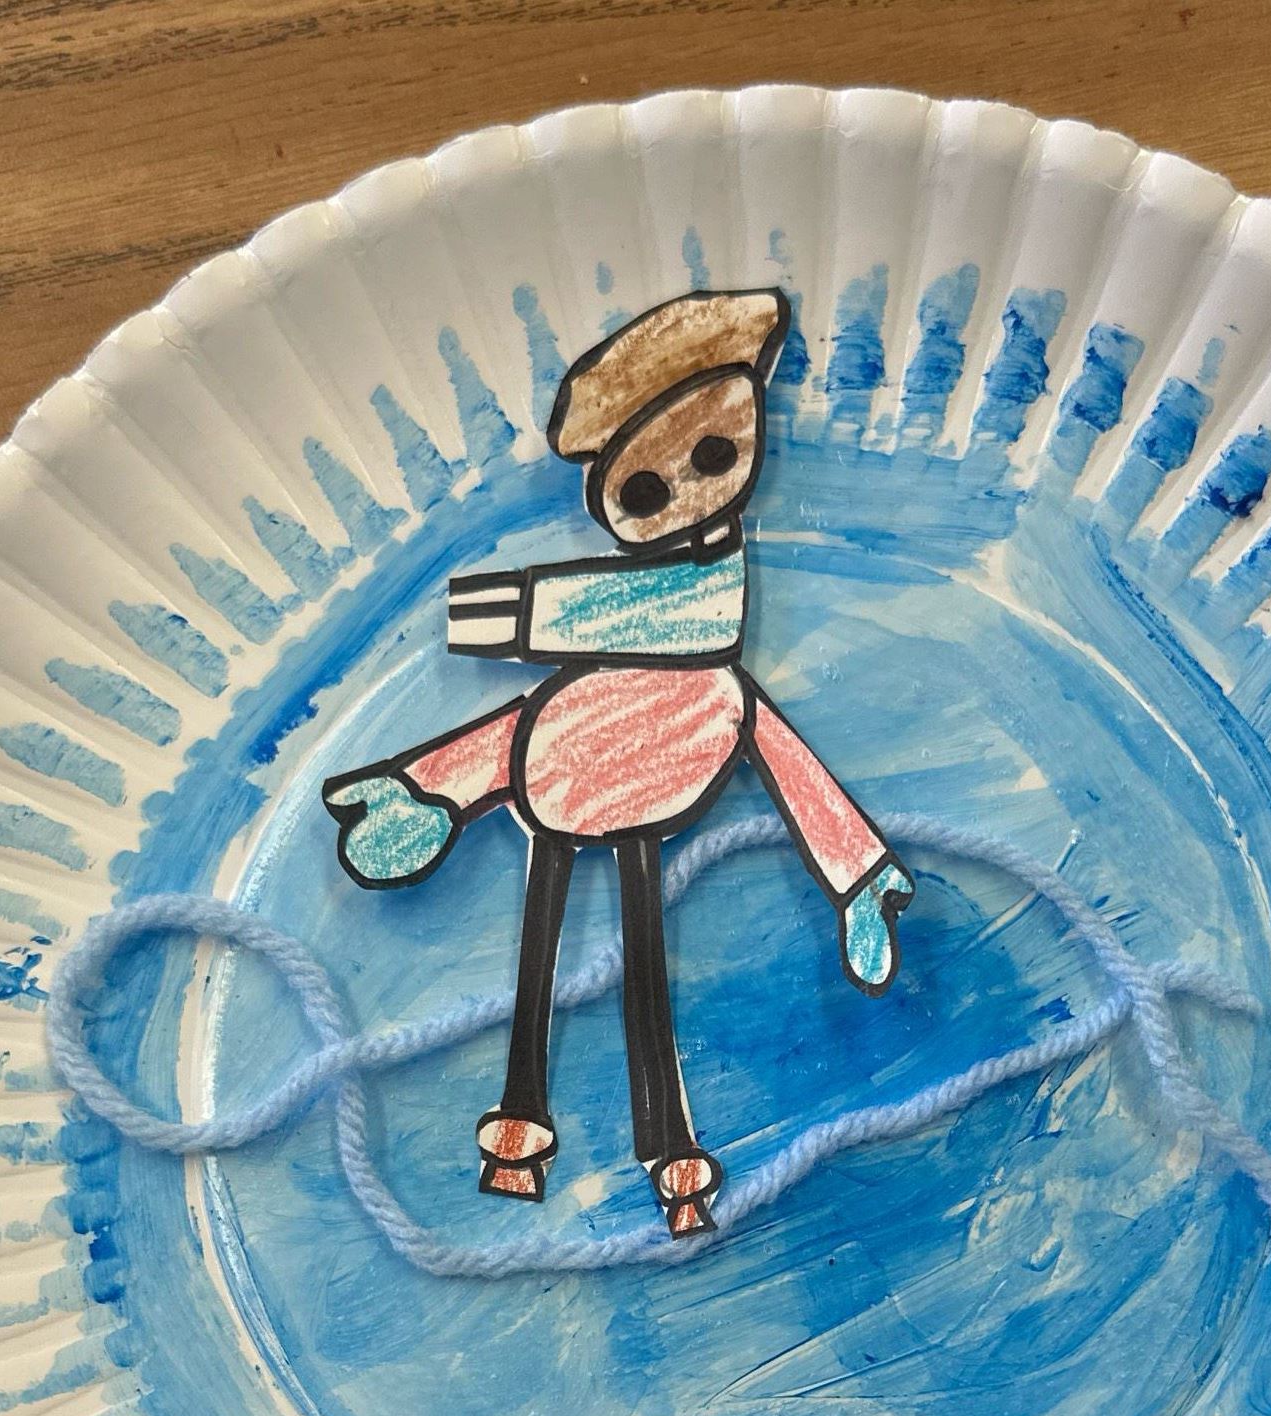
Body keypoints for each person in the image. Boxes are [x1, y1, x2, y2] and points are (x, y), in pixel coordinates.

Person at [323, 287, 913, 1237]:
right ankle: (523, 1123)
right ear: (611, 500)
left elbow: (767, 724)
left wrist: (859, 878)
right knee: (541, 959)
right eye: (644, 491)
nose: (690, 490)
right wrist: (427, 791)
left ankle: (671, 1150)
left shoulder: (710, 634)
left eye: (714, 454)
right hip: (561, 775)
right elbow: (529, 724)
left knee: (646, 971)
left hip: (646, 781)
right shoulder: (651, 644)